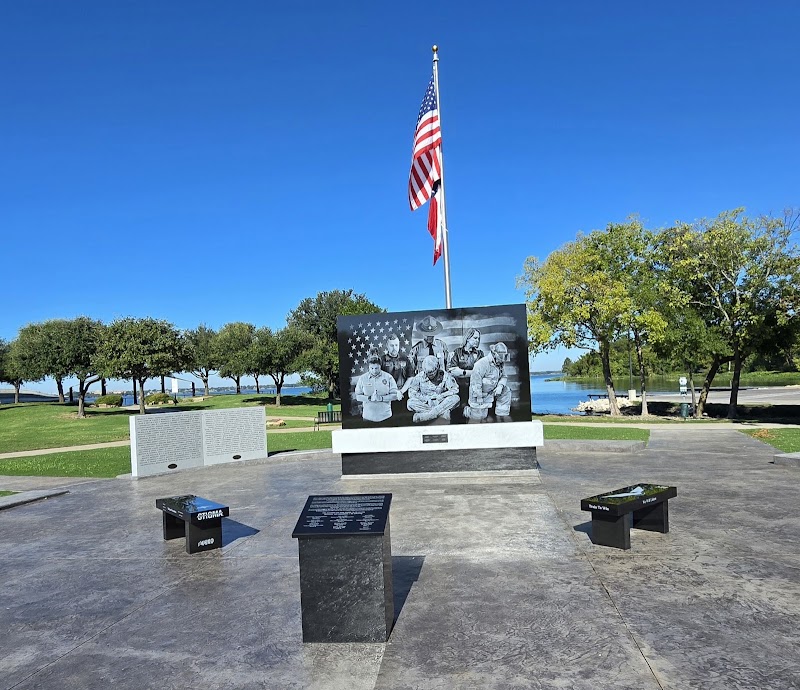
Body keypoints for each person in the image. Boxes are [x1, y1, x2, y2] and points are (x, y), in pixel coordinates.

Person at [464, 342, 512, 422]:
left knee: (506, 390)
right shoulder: (481, 364)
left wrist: (500, 386)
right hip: (479, 393)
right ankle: (468, 411)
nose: (503, 359)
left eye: (505, 356)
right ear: (494, 353)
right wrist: (479, 397)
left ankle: (502, 417)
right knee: (480, 416)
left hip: (492, 391)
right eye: (501, 356)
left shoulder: (500, 363)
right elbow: (475, 383)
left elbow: (504, 376)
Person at [406, 355, 460, 423]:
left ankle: (426, 416)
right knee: (410, 403)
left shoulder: (445, 375)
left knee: (456, 398)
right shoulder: (419, 377)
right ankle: (441, 414)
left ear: (437, 368)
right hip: (426, 402)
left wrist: (442, 396)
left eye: (432, 373)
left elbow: (455, 389)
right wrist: (425, 398)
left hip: (441, 402)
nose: (430, 375)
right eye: (428, 373)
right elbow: (411, 392)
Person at [448, 327, 485, 417]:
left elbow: (481, 373)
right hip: (459, 388)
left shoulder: (480, 354)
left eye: (478, 339)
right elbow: (453, 371)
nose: (477, 340)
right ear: (468, 338)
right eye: (475, 338)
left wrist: (463, 372)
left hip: (475, 388)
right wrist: (473, 372)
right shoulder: (457, 352)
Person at [354, 353, 398, 423]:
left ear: (380, 366)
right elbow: (358, 396)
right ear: (368, 367)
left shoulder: (388, 377)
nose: (374, 371)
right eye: (372, 368)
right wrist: (369, 398)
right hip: (368, 417)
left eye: (376, 368)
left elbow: (395, 395)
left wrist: (381, 398)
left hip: (386, 417)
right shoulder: (362, 378)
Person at [382, 333, 413, 398]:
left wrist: (401, 391)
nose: (394, 348)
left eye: (396, 345)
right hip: (387, 394)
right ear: (387, 346)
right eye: (392, 345)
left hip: (403, 394)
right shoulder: (382, 360)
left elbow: (410, 377)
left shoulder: (405, 359)